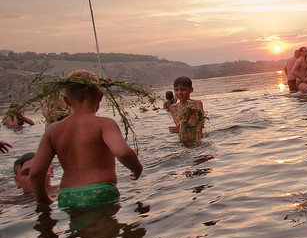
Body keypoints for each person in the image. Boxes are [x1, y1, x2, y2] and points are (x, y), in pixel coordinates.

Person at [27, 70, 143, 210]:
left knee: (78, 230)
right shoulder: (104, 124)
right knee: (108, 230)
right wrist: (136, 168)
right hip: (100, 191)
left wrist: (42, 199)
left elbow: (36, 173)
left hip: (68, 196)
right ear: (100, 96)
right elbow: (122, 152)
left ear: (67, 101)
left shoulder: (53, 130)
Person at [169, 76, 206, 142]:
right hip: (183, 140)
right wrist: (181, 127)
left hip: (197, 139)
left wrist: (180, 128)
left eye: (183, 90)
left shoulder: (197, 103)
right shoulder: (173, 108)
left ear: (191, 90)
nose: (179, 93)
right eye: (176, 90)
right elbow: (179, 125)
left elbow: (201, 123)